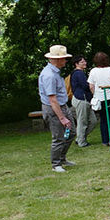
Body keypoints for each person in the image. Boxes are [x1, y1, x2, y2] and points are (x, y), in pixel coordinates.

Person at [38, 44, 76, 173]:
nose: (66, 61)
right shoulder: (49, 75)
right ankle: (56, 164)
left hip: (62, 106)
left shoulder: (55, 72)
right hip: (54, 109)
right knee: (58, 137)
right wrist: (62, 118)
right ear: (57, 59)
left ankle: (62, 158)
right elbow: (52, 100)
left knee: (71, 133)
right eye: (64, 58)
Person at [88, 52, 110, 146]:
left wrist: (95, 95)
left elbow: (91, 86)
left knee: (104, 119)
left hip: (101, 98)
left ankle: (105, 140)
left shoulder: (93, 71)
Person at [69, 54, 97, 148]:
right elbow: (85, 86)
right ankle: (81, 142)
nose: (85, 63)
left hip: (85, 100)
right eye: (82, 62)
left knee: (93, 121)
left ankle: (80, 138)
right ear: (76, 64)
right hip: (81, 99)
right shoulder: (78, 73)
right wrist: (93, 85)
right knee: (82, 121)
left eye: (84, 61)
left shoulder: (80, 73)